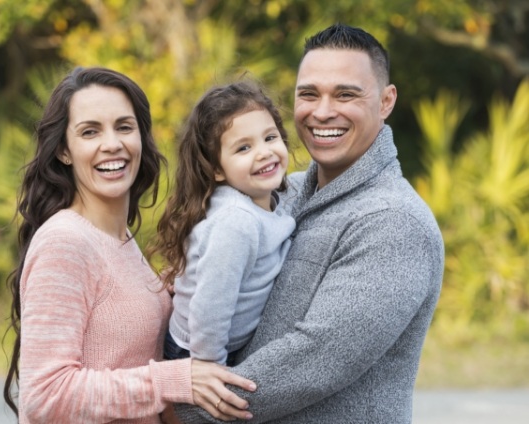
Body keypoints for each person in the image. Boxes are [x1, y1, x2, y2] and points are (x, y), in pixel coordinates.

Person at [174, 23, 445, 423]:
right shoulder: (280, 193)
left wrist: (180, 408)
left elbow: (312, 361)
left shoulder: (394, 222)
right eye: (308, 94)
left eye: (346, 94)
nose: (321, 111)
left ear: (386, 101)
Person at [2, 66, 256, 424]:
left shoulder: (121, 240)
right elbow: (45, 395)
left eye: (124, 126)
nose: (112, 144)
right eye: (90, 131)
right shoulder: (65, 242)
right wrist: (175, 381)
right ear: (64, 150)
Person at [151, 81, 295, 367]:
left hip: (219, 345)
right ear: (216, 169)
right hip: (196, 351)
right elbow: (209, 311)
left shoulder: (271, 199)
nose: (264, 152)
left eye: (270, 138)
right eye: (243, 148)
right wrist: (211, 368)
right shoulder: (236, 224)